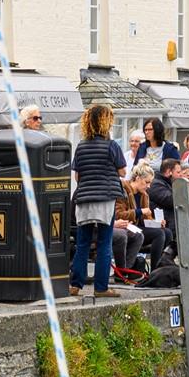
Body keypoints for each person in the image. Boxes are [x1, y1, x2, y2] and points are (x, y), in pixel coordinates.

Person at [70, 103, 126, 299]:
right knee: (104, 242)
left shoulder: (81, 146)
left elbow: (77, 176)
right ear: (105, 122)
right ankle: (101, 288)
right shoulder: (112, 146)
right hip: (105, 198)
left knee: (83, 243)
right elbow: (122, 172)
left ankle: (75, 285)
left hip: (84, 197)